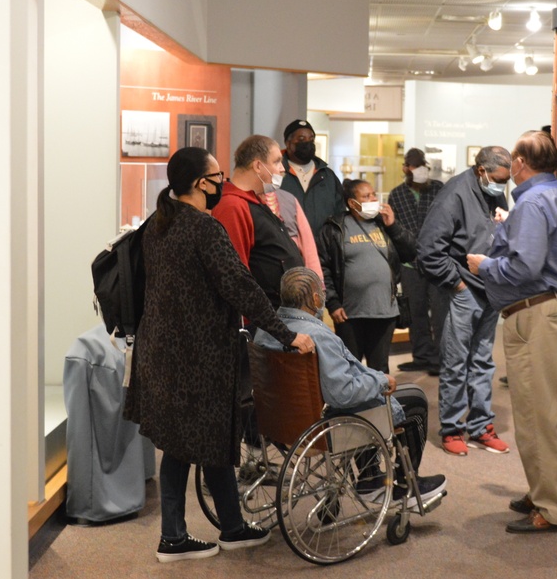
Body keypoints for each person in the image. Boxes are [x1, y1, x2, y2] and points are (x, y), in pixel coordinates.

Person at [123, 147, 315, 563]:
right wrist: (287, 335)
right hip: (197, 357)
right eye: (217, 176)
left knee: (200, 441)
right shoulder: (203, 229)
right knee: (188, 444)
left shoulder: (159, 225)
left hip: (164, 352)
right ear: (199, 184)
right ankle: (174, 537)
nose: (221, 183)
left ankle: (229, 526)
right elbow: (242, 287)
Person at [467, 130, 557, 534]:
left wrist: (485, 266)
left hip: (536, 312)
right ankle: (543, 490)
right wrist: (510, 226)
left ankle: (551, 508)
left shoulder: (531, 201)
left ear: (520, 162)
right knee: (550, 412)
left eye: (512, 160)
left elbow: (525, 267)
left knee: (537, 413)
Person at [254, 266, 447, 502]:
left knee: (365, 395)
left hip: (280, 423)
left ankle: (371, 478)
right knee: (414, 400)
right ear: (315, 298)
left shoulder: (265, 330)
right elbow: (342, 394)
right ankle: (407, 481)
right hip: (321, 428)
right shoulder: (319, 335)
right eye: (321, 293)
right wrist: (379, 380)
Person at [417, 146, 512, 457]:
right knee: (456, 362)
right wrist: (456, 284)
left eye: (507, 180)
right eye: (498, 179)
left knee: (483, 361)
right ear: (481, 170)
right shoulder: (453, 195)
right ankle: (453, 427)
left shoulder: (494, 191)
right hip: (462, 290)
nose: (503, 185)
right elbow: (429, 250)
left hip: (489, 288)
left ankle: (482, 425)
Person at [317, 178, 416, 374]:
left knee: (379, 369)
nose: (373, 198)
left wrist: (393, 226)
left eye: (373, 194)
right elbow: (323, 268)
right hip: (350, 314)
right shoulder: (334, 228)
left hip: (384, 312)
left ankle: (379, 404)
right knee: (350, 369)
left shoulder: (383, 224)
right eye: (366, 196)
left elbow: (410, 252)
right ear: (352, 203)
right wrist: (333, 303)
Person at [212, 135, 322, 309]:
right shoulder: (233, 205)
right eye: (277, 162)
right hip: (262, 319)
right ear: (258, 165)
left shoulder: (254, 201)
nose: (282, 169)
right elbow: (235, 273)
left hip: (280, 312)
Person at [387, 148, 447, 376]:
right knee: (416, 312)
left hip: (437, 261)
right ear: (406, 168)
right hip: (410, 263)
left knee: (440, 313)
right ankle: (422, 356)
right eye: (415, 166)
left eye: (423, 166)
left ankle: (441, 359)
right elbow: (394, 228)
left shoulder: (438, 190)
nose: (420, 170)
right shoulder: (397, 194)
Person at [279, 119, 344, 236]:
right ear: (288, 143)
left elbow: (340, 213)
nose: (308, 143)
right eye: (301, 139)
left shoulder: (327, 176)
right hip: (287, 248)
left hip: (323, 249)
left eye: (311, 139)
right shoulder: (276, 173)